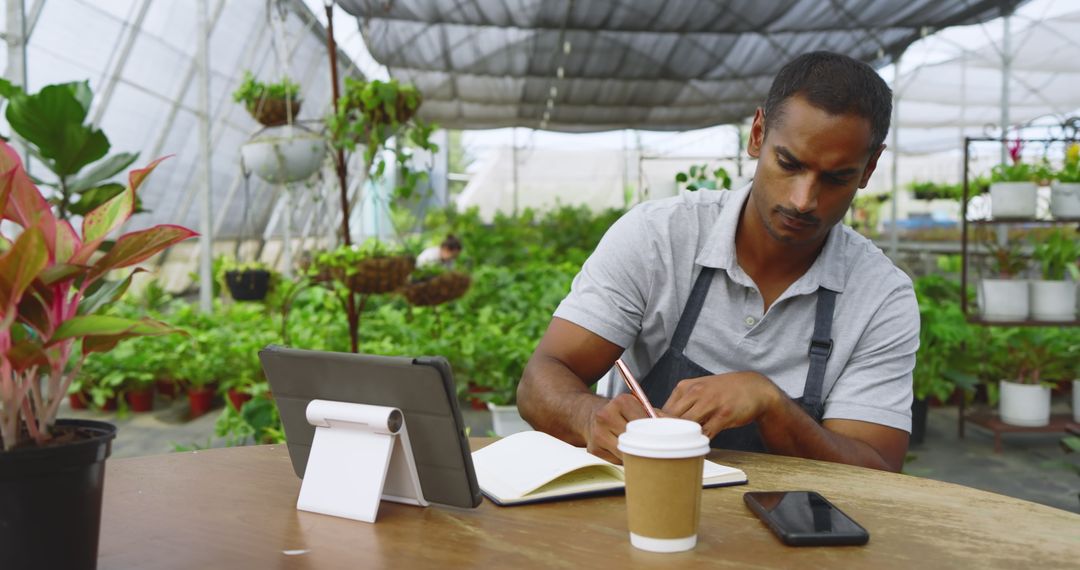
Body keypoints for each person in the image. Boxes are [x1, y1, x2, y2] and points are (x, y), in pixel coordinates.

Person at [517, 51, 918, 473]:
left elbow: (876, 468)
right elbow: (540, 379)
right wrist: (586, 416)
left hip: (794, 531)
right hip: (641, 511)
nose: (803, 200)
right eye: (789, 163)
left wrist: (772, 405)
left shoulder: (879, 297)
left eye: (836, 178)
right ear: (758, 134)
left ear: (869, 168)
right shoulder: (660, 238)